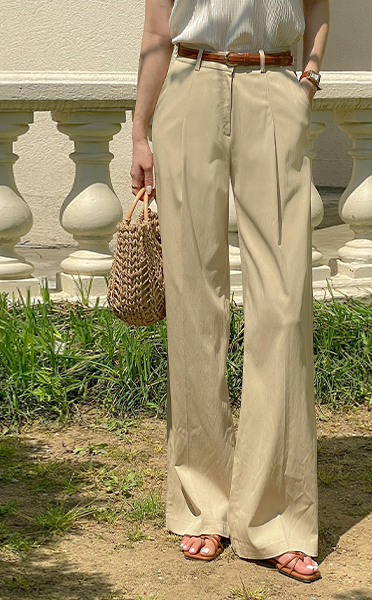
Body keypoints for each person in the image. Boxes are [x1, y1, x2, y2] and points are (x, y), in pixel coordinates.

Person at [130, 0, 329, 584]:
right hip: (189, 86)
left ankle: (279, 518)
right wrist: (139, 130)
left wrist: (309, 76)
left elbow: (317, 6)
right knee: (193, 300)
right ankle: (204, 502)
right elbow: (157, 28)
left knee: (285, 307)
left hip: (275, 84)